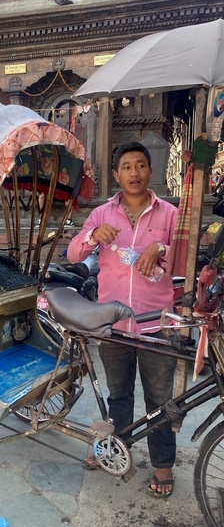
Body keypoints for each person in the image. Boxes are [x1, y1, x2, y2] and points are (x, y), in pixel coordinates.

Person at [67, 141, 178, 498]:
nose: (134, 173)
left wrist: (159, 247)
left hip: (155, 324)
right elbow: (73, 253)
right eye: (127, 166)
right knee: (119, 394)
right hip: (112, 325)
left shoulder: (169, 214)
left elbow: (184, 260)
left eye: (141, 165)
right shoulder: (102, 214)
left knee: (159, 399)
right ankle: (119, 448)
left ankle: (163, 465)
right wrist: (90, 236)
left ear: (151, 171)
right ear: (116, 175)